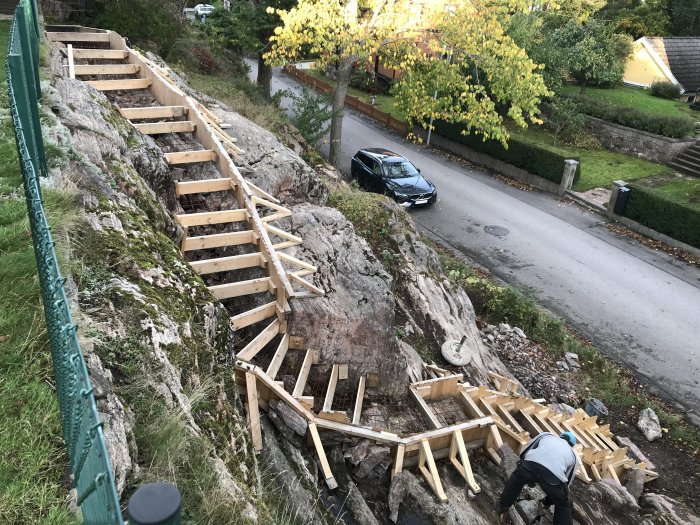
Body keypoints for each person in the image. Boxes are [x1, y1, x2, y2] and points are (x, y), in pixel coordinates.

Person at [499, 432, 578, 525]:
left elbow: (526, 450)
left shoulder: (547, 435)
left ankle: (503, 506)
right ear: (572, 445)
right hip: (552, 479)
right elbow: (566, 483)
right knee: (563, 505)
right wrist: (551, 499)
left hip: (530, 466)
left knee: (516, 480)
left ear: (560, 436)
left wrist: (523, 469)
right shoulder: (573, 455)